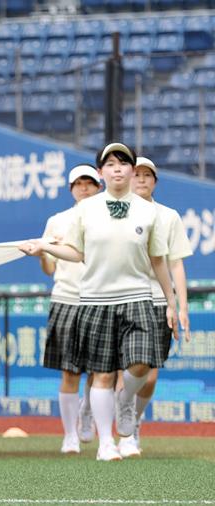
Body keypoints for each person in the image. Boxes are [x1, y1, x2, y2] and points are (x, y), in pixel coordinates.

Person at [20, 143, 178, 462]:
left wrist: (172, 302)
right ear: (101, 172)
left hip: (138, 298)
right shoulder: (85, 210)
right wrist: (46, 248)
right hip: (95, 299)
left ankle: (126, 401)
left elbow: (159, 260)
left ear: (133, 171)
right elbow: (77, 252)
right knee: (102, 374)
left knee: (142, 364)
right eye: (110, 163)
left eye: (124, 163)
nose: (117, 168)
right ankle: (106, 444)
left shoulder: (150, 212)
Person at [117, 156, 193, 458]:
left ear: (156, 181)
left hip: (158, 300)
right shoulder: (115, 213)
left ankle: (133, 422)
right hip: (123, 296)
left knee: (149, 373)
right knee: (120, 368)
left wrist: (180, 306)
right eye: (138, 174)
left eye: (148, 175)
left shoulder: (168, 216)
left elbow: (176, 264)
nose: (142, 179)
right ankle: (119, 435)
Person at [37, 165, 101, 453]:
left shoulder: (108, 219)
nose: (84, 188)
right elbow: (49, 267)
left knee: (102, 372)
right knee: (70, 372)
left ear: (99, 186)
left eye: (89, 183)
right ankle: (69, 436)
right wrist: (43, 253)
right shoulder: (57, 221)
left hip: (100, 299)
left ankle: (87, 411)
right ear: (71, 189)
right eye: (78, 184)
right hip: (66, 298)